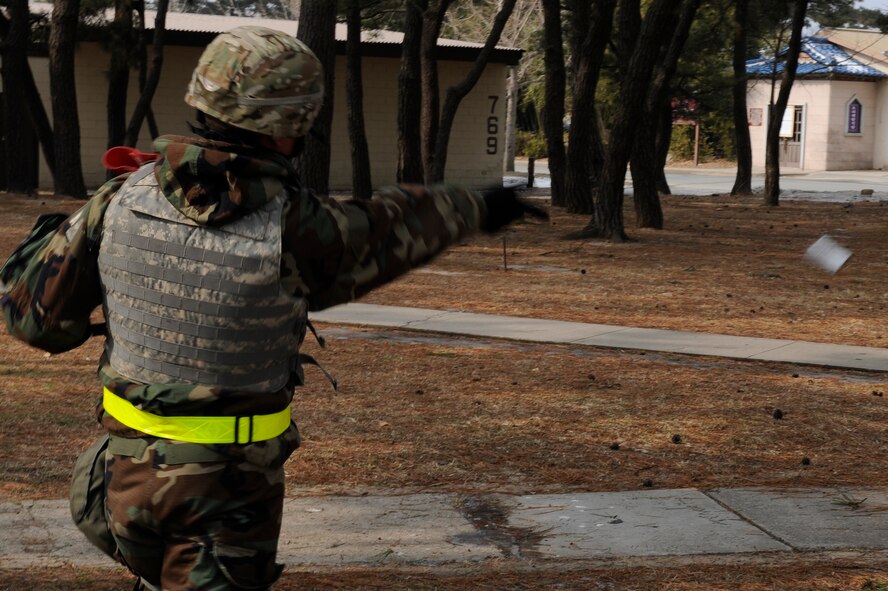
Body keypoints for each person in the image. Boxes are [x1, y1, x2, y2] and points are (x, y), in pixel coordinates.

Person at [0, 25, 545, 591]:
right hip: (226, 500)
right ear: (293, 125)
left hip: (118, 485)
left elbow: (38, 323)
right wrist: (477, 205)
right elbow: (390, 226)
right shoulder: (299, 227)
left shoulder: (117, 200)